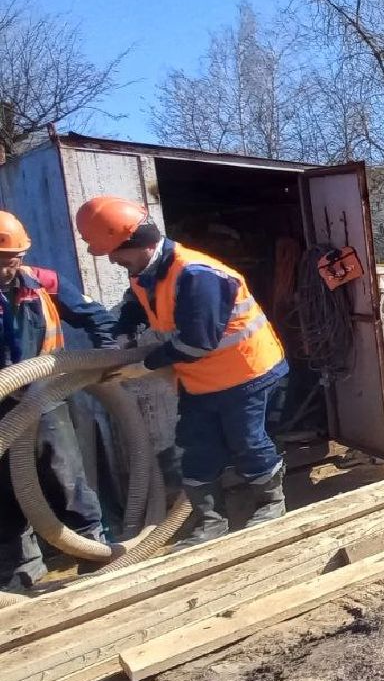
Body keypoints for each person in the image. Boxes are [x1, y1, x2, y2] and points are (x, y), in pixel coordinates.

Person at [74, 197, 289, 543]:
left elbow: (198, 342)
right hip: (201, 380)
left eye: (115, 252)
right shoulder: (144, 273)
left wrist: (142, 366)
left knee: (247, 442)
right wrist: (119, 338)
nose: (113, 260)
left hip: (247, 374)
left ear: (137, 243)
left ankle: (270, 504)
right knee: (195, 448)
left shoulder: (197, 275)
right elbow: (136, 309)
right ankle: (211, 521)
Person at [0, 211, 118, 587]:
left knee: (65, 475)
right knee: (4, 487)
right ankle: (22, 568)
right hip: (1, 404)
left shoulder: (44, 282)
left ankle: (91, 552)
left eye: (13, 257)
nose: (8, 266)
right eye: (1, 259)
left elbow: (93, 316)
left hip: (44, 395)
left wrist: (108, 357)